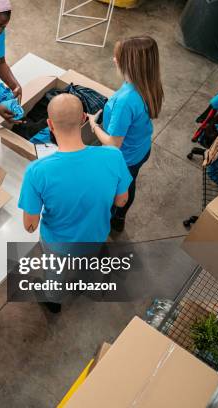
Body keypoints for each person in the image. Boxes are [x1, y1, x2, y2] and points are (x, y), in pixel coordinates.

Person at [18, 95, 133, 312]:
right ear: (83, 119)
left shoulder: (37, 171)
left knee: (55, 274)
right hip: (96, 234)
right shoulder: (113, 156)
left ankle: (53, 300)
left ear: (50, 125)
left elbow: (29, 226)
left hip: (58, 245)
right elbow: (122, 200)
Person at [88, 35, 164, 232]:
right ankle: (120, 218)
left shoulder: (125, 100)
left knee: (116, 191)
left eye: (117, 57)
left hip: (124, 157)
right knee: (130, 182)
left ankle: (110, 218)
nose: (114, 59)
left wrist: (94, 125)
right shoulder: (148, 84)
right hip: (141, 149)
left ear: (130, 64)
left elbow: (113, 144)